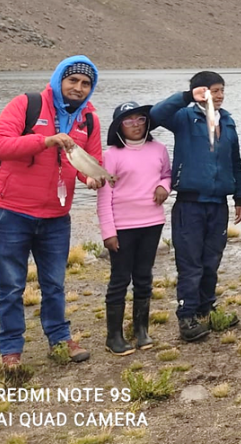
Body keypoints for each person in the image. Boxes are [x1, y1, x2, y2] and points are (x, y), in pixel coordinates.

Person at [0, 55, 104, 367]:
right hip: (13, 212)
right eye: (73, 80)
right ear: (59, 80)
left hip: (56, 217)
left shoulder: (89, 120)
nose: (78, 87)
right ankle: (11, 349)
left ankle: (60, 339)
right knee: (11, 286)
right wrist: (45, 141)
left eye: (86, 83)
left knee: (54, 284)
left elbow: (90, 160)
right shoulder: (26, 104)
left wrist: (91, 178)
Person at [150, 71, 241, 342]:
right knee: (190, 263)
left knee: (211, 261)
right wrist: (185, 97)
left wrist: (240, 196)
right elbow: (155, 114)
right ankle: (187, 315)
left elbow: (234, 160)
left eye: (222, 90)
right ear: (200, 92)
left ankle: (207, 308)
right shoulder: (184, 116)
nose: (220, 95)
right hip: (189, 204)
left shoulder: (227, 120)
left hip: (219, 204)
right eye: (214, 90)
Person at [97, 101, 171, 355]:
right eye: (128, 121)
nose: (136, 125)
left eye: (140, 119)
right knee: (120, 279)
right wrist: (108, 231)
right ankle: (114, 336)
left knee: (144, 277)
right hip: (122, 226)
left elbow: (167, 175)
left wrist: (164, 186)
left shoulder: (159, 148)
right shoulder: (111, 155)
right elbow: (104, 196)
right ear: (119, 126)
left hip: (152, 222)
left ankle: (141, 330)